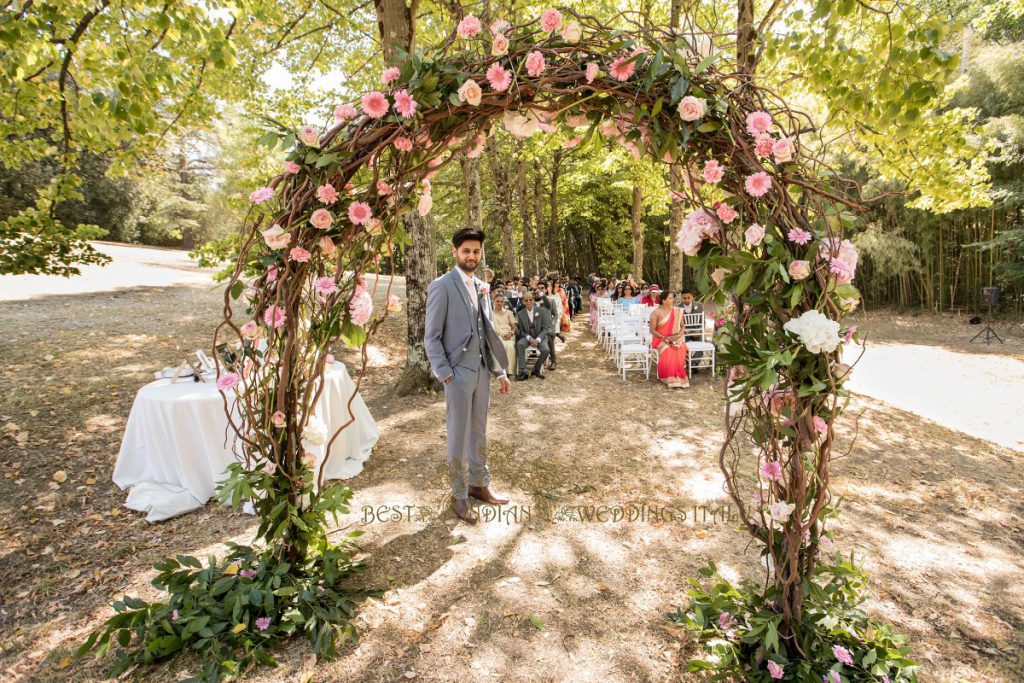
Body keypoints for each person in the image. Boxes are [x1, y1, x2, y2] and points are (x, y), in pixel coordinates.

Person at [424, 228, 512, 525]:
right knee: (457, 436)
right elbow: (431, 337)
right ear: (454, 253)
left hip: (482, 371)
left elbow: (486, 332)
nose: (471, 256)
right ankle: (458, 494)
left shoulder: (481, 285)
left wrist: (499, 370)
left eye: (476, 252)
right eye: (466, 251)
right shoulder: (442, 286)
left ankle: (479, 483)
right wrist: (446, 374)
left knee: (479, 431)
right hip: (458, 373)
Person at [649, 290, 690, 388]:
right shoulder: (655, 313)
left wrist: (679, 335)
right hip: (660, 339)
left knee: (682, 346)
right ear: (663, 301)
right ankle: (668, 377)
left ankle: (678, 375)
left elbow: (683, 326)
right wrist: (665, 338)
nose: (673, 300)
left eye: (673, 298)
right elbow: (652, 330)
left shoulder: (677, 311)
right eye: (670, 298)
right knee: (668, 349)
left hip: (675, 337)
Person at [514, 292, 551, 380]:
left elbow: (545, 328)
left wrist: (537, 339)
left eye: (530, 300)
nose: (528, 302)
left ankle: (536, 369)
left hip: (540, 337)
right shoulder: (520, 314)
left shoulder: (541, 311)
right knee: (519, 344)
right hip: (528, 337)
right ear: (523, 301)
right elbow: (522, 331)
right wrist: (529, 338)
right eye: (526, 300)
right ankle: (523, 371)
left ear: (533, 300)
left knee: (546, 350)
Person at [490, 290, 518, 377]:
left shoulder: (508, 313)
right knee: (501, 345)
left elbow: (514, 326)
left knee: (510, 346)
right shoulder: (490, 314)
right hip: (496, 336)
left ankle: (510, 371)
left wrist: (511, 333)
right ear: (493, 302)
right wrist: (499, 335)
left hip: (509, 335)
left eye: (501, 301)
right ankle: (499, 370)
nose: (499, 303)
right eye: (497, 301)